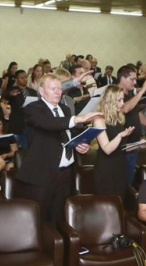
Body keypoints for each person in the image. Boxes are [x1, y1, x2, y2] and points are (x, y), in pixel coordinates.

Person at [19, 74, 101, 225]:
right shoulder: (33, 108)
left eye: (59, 88)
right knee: (39, 219)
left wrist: (79, 144)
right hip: (42, 174)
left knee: (60, 217)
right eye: (53, 89)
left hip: (65, 172)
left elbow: (69, 133)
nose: (58, 92)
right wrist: (78, 119)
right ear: (42, 91)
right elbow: (49, 124)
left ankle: (58, 239)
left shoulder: (65, 109)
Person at [119, 65, 146, 185]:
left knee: (130, 179)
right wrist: (142, 90)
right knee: (123, 181)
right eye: (132, 79)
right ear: (122, 79)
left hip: (133, 145)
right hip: (122, 147)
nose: (135, 82)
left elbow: (137, 114)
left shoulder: (130, 95)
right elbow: (125, 109)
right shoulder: (116, 94)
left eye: (135, 79)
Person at [92, 85, 135, 199]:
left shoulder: (118, 118)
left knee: (119, 201)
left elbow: (121, 147)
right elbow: (107, 149)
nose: (122, 103)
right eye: (119, 100)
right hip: (106, 168)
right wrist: (120, 136)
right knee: (107, 202)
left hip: (120, 166)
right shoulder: (99, 120)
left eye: (122, 100)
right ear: (110, 101)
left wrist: (137, 145)